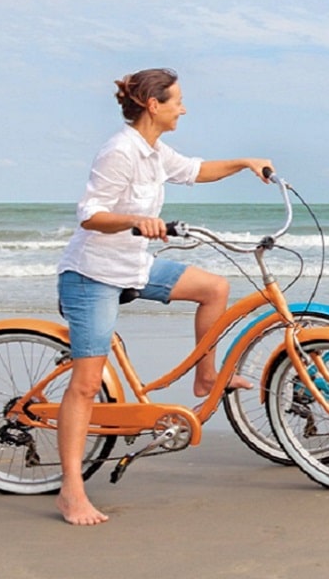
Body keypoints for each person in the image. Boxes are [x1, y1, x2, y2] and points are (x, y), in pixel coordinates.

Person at [55, 68, 272, 525]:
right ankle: (71, 490)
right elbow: (90, 215)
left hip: (134, 266)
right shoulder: (120, 151)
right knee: (87, 384)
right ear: (154, 105)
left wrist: (245, 162)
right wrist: (136, 220)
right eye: (177, 101)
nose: (184, 108)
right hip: (92, 275)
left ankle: (205, 378)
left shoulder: (154, 152)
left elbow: (196, 170)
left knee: (215, 288)